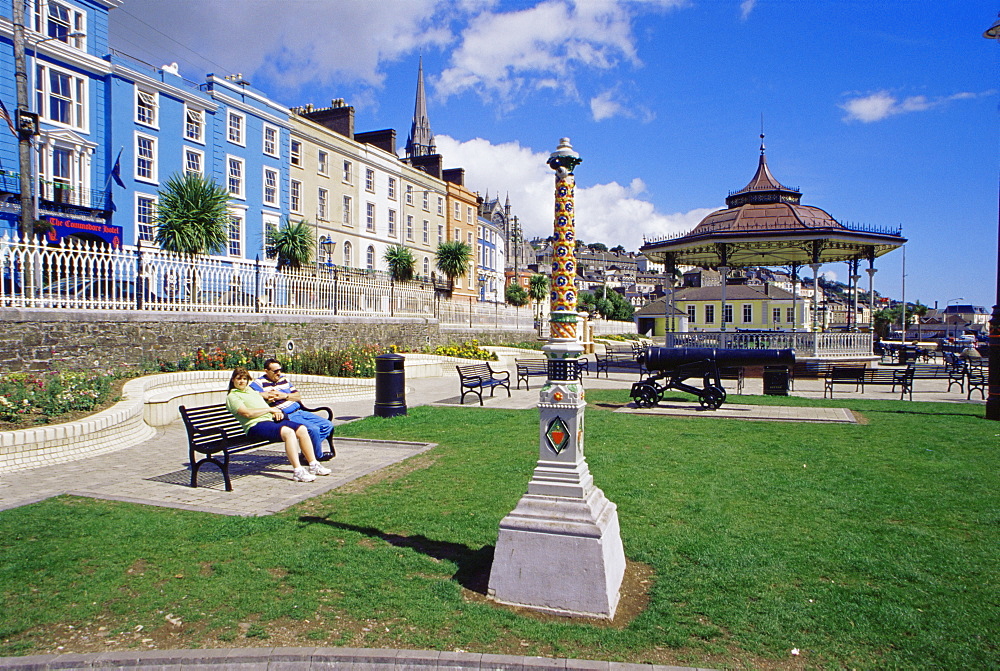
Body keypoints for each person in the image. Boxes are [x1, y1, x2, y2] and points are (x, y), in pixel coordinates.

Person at [226, 367, 331, 483]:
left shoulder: (250, 391)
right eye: (239, 379)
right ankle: (298, 471)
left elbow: (265, 397)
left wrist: (277, 411)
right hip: (255, 426)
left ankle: (314, 464)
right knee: (288, 432)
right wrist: (270, 410)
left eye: (245, 379)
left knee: (302, 429)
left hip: (269, 421)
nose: (242, 381)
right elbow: (247, 413)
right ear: (233, 380)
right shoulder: (233, 396)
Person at [251, 358, 335, 461]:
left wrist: (284, 396)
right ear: (266, 371)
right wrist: (264, 395)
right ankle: (317, 456)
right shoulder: (259, 383)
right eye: (275, 371)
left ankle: (307, 451)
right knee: (314, 429)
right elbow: (251, 395)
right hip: (287, 416)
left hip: (299, 411)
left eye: (280, 370)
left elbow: (297, 396)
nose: (279, 373)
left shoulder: (284, 379)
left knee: (327, 425)